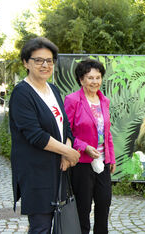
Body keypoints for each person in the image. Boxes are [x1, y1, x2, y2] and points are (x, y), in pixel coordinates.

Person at [9, 37, 80, 233]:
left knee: (60, 223)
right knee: (41, 226)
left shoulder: (53, 90)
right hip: (36, 173)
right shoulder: (22, 93)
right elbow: (35, 135)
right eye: (38, 60)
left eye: (49, 60)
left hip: (58, 169)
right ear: (26, 62)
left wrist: (66, 151)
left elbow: (65, 126)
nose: (45, 65)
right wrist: (68, 151)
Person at [64, 59, 116, 234]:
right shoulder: (72, 100)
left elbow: (107, 133)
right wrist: (83, 146)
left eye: (98, 77)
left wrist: (111, 158)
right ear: (81, 79)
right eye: (90, 78)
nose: (95, 82)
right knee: (83, 209)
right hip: (82, 163)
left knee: (103, 205)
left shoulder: (104, 101)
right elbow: (66, 132)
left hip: (103, 161)